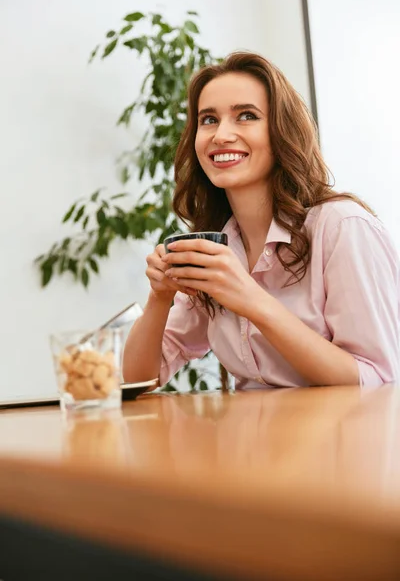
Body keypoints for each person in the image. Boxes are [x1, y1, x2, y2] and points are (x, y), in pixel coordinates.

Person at [123, 52, 400, 390]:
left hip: (338, 441)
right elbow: (138, 381)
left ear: (281, 131)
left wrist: (251, 299)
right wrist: (159, 297)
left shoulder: (343, 227)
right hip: (253, 440)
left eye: (246, 116)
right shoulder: (219, 246)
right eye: (208, 119)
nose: (221, 135)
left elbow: (378, 381)